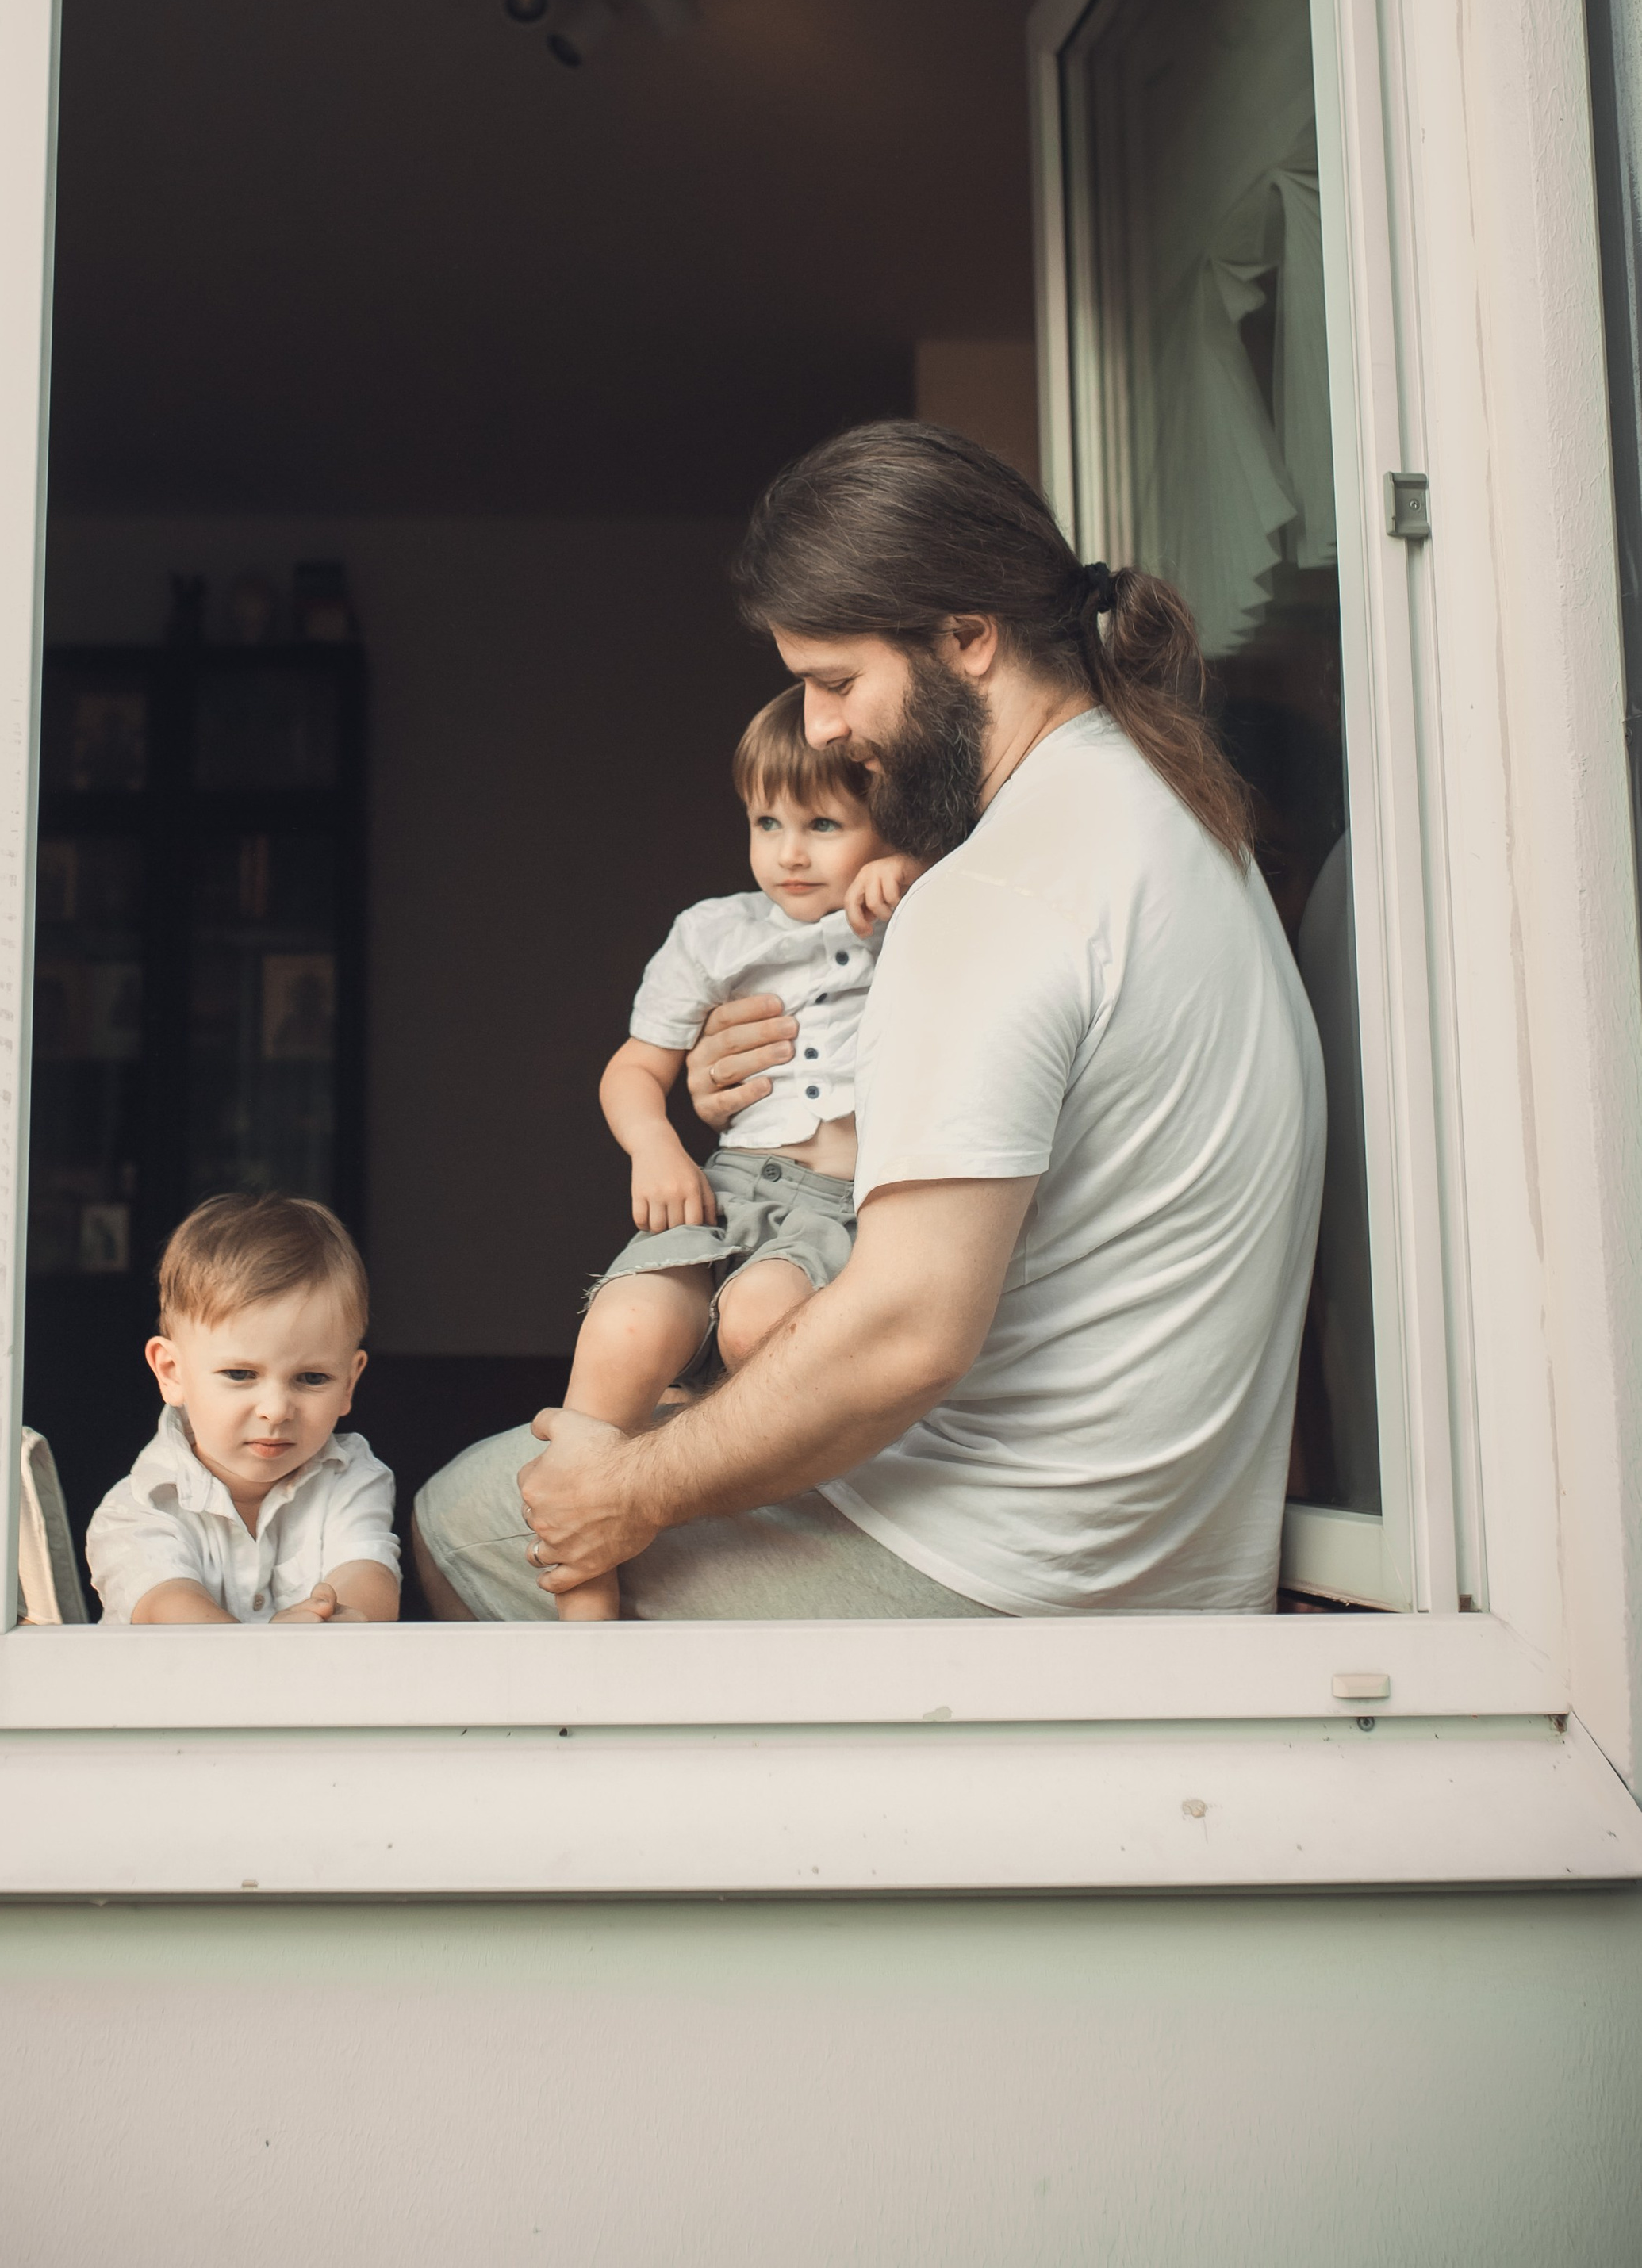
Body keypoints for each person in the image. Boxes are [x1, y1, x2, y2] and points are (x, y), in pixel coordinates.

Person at [412, 418, 1325, 1622]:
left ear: (967, 637)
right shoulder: (1166, 813)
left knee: (475, 1508)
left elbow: (905, 1335)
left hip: (1018, 1582)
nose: (824, 728)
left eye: (837, 681)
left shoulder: (996, 894)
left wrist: (630, 1490)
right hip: (1157, 1552)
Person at [551, 687, 922, 1619]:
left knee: (762, 1323)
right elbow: (635, 1068)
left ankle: (695, 1445)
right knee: (622, 1327)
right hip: (728, 1185)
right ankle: (579, 1585)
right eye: (767, 820)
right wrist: (656, 1149)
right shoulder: (716, 933)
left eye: (824, 823)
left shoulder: (912, 915)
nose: (789, 852)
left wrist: (916, 871)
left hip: (840, 1206)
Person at [86, 1190, 401, 1626]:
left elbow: (369, 1577)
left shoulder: (351, 1476)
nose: (276, 1411)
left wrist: (338, 1620)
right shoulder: (139, 1507)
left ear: (349, 1383)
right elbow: (171, 1611)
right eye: (240, 1374)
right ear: (172, 1372)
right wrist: (272, 1654)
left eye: (312, 1379)